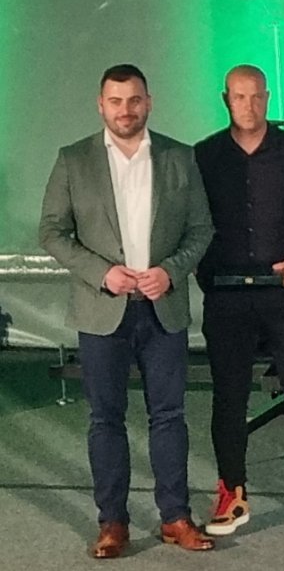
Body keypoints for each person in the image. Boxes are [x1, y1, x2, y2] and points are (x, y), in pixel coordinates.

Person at [38, 64, 216, 557]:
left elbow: (201, 229)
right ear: (101, 105)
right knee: (105, 420)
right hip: (102, 309)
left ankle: (175, 517)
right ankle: (112, 523)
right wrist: (102, 273)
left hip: (162, 307)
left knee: (170, 416)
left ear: (149, 102)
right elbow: (52, 231)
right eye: (115, 101)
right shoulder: (74, 159)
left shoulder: (179, 157)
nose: (125, 110)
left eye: (134, 100)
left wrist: (171, 271)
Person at [194, 65, 284, 537]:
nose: (249, 105)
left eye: (257, 96)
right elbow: (188, 220)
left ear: (268, 97)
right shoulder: (204, 155)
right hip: (226, 295)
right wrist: (200, 270)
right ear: (226, 99)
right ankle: (232, 492)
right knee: (228, 397)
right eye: (240, 97)